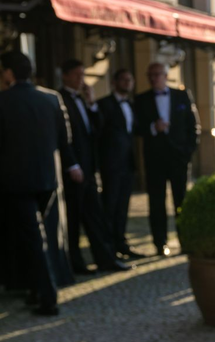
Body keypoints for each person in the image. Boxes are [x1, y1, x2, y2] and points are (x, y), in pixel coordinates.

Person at [0, 50, 73, 315]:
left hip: (16, 182)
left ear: (9, 72)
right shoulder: (51, 98)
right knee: (30, 236)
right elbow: (65, 139)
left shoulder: (4, 101)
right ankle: (34, 290)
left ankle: (48, 297)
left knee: (32, 237)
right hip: (47, 180)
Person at [58, 59, 128, 274]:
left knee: (95, 216)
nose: (81, 79)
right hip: (73, 170)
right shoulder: (59, 99)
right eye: (77, 75)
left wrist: (92, 104)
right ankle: (75, 263)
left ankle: (105, 259)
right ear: (65, 76)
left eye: (83, 75)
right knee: (73, 218)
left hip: (88, 168)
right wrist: (72, 164)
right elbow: (62, 137)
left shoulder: (82, 99)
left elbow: (97, 130)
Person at [134, 63, 199, 256]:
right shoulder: (141, 99)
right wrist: (153, 128)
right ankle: (160, 243)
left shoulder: (181, 95)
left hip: (179, 158)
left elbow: (193, 125)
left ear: (165, 75)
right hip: (155, 159)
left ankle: (185, 241)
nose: (154, 78)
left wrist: (188, 152)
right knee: (156, 202)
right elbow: (135, 127)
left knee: (181, 201)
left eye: (157, 74)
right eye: (150, 75)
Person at [95, 68, 141, 259]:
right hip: (111, 164)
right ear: (114, 82)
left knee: (123, 206)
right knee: (110, 206)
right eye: (123, 79)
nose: (127, 83)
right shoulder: (103, 104)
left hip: (127, 163)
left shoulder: (131, 104)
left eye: (130, 79)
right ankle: (108, 247)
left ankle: (121, 243)